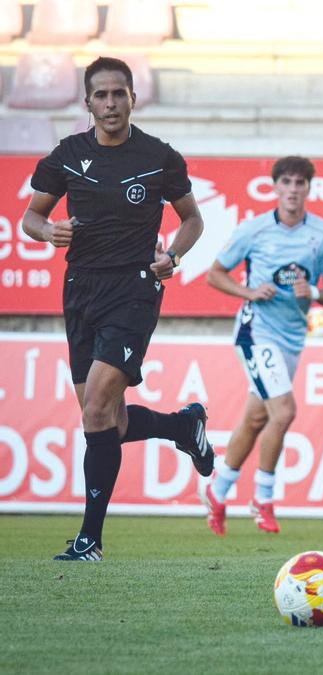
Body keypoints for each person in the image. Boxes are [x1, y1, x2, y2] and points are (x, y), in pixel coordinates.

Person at [21, 56, 213, 561]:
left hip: (134, 287)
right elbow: (30, 217)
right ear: (88, 103)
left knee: (97, 410)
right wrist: (48, 231)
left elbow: (192, 220)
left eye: (118, 94)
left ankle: (90, 539)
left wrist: (172, 255)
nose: (110, 103)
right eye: (101, 95)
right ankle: (181, 426)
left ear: (133, 98)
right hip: (80, 289)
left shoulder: (158, 157)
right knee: (108, 420)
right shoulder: (67, 155)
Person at [200, 156, 323, 536]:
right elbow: (215, 274)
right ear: (275, 187)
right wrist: (248, 291)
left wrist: (311, 291)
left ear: (309, 188)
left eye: (300, 183)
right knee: (284, 412)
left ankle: (218, 489)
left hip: (292, 337)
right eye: (287, 183)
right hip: (255, 331)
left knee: (257, 417)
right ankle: (263, 498)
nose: (293, 190)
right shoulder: (255, 230)